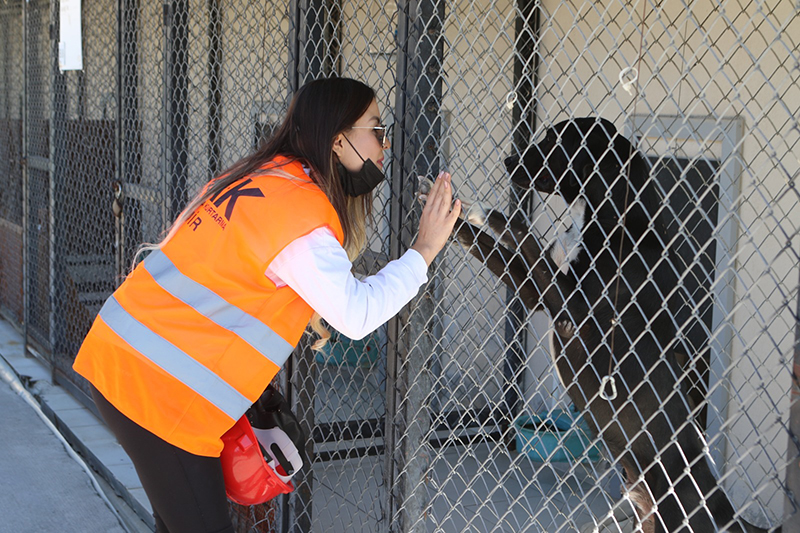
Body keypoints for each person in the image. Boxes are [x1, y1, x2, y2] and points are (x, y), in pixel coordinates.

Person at [72, 77, 460, 533]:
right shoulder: (300, 212)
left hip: (124, 359)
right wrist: (424, 251)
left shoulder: (264, 177)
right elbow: (357, 314)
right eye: (376, 128)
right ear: (338, 140)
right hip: (159, 393)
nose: (385, 143)